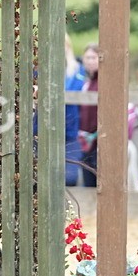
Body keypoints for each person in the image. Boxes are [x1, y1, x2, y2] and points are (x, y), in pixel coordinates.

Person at [62, 35, 87, 187]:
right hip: (42, 130)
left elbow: (73, 90)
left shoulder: (77, 70)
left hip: (70, 131)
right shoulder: (39, 69)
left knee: (70, 178)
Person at [77, 43, 100, 187]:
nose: (90, 61)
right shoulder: (86, 83)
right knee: (88, 185)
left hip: (99, 142)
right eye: (87, 58)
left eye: (93, 57)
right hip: (85, 142)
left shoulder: (104, 82)